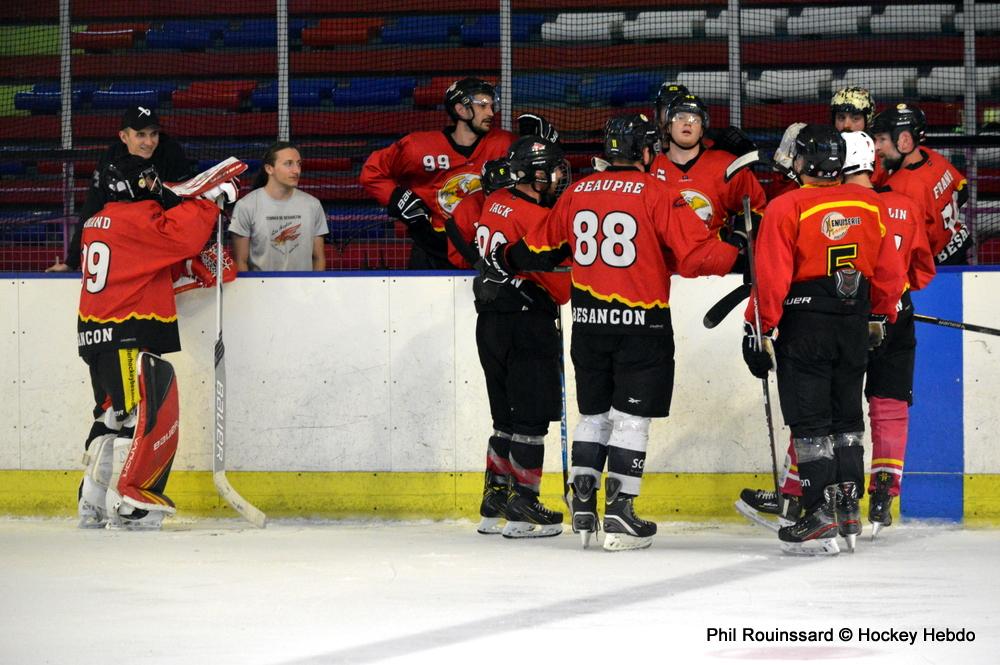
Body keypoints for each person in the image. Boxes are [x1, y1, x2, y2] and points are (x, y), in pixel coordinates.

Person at [479, 114, 743, 551]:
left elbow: (539, 251)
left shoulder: (578, 191)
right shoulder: (659, 192)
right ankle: (620, 515)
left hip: (588, 324)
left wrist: (503, 259)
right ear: (644, 151)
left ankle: (583, 508)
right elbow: (697, 257)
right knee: (631, 420)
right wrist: (741, 256)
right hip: (642, 325)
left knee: (594, 416)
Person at [740, 124, 905, 555]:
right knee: (848, 419)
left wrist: (757, 326)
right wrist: (881, 315)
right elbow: (889, 272)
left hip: (806, 323)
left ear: (804, 161)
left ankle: (816, 511)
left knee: (811, 422)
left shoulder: (787, 206)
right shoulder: (870, 204)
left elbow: (772, 277)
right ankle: (848, 507)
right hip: (853, 323)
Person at [76, 154, 238, 530]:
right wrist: (210, 202)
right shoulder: (135, 218)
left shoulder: (96, 222)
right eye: (147, 181)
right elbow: (180, 234)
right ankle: (130, 505)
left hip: (97, 333)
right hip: (126, 331)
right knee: (136, 419)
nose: (155, 187)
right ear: (126, 185)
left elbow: (145, 257)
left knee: (110, 416)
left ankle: (92, 505)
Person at [460, 136, 572, 538]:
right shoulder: (535, 218)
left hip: (489, 323)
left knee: (503, 418)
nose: (558, 176)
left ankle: (495, 501)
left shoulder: (497, 201)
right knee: (529, 419)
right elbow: (560, 289)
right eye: (552, 169)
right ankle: (524, 507)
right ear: (535, 174)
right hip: (527, 322)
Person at [360, 78, 516, 269]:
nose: (491, 112)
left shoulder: (504, 144)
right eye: (483, 105)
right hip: (431, 248)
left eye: (492, 105)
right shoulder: (418, 147)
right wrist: (397, 198)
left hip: (485, 245)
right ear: (461, 109)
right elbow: (372, 170)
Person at [47, 106, 193, 272]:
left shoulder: (171, 152)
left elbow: (185, 204)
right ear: (124, 137)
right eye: (141, 135)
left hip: (165, 247)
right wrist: (71, 262)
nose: (150, 142)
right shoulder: (111, 158)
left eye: (154, 134)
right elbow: (92, 207)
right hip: (123, 247)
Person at [649, 93, 767, 246]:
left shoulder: (728, 165)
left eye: (695, 119)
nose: (687, 123)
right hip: (665, 266)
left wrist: (739, 237)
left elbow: (757, 208)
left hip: (715, 264)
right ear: (668, 127)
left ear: (702, 129)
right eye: (680, 117)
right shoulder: (651, 169)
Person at [871, 103, 972, 265]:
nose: (876, 147)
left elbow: (900, 245)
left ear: (904, 140)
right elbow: (962, 191)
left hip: (932, 270)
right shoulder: (932, 156)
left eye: (882, 139)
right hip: (957, 250)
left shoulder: (897, 190)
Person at [229, 142, 327, 272]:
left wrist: (314, 289)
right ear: (269, 169)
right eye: (288, 163)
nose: (296, 170)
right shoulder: (246, 206)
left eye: (299, 163)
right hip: (262, 288)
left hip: (303, 289)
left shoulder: (313, 205)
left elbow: (319, 258)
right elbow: (240, 262)